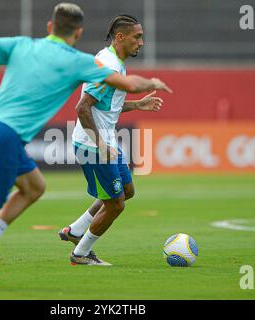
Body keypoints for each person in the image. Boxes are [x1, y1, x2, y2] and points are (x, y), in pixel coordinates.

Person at [0, 3, 170, 289]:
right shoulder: (79, 62)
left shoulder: (22, 44)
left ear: (50, 27)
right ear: (78, 32)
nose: (141, 42)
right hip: (3, 137)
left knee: (34, 187)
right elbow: (125, 83)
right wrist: (151, 81)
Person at [59, 14, 172, 265]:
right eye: (137, 37)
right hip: (94, 145)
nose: (141, 43)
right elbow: (82, 108)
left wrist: (137, 104)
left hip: (105, 142)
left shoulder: (115, 62)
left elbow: (106, 107)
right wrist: (100, 146)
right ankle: (81, 254)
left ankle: (75, 231)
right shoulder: (108, 66)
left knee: (127, 191)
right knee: (116, 204)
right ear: (120, 37)